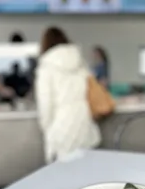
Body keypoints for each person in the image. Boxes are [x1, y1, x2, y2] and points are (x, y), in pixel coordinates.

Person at [36, 27, 101, 163]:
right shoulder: (81, 62)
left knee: (65, 179)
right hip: (85, 124)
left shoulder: (46, 67)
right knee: (88, 175)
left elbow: (45, 105)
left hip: (62, 129)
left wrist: (47, 129)